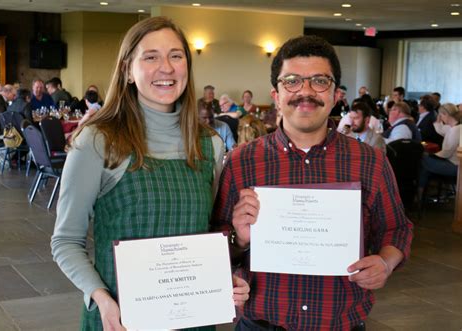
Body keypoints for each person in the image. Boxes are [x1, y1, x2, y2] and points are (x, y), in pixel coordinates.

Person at [51, 16, 249, 330]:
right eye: (151, 57)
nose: (166, 68)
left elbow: (210, 233)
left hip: (192, 320)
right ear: (128, 70)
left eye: (176, 55)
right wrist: (100, 297)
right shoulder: (99, 140)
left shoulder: (208, 144)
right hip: (121, 319)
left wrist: (227, 271)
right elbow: (65, 241)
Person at [212, 35, 413, 330]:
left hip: (341, 323)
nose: (305, 92)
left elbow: (396, 228)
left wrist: (385, 262)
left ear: (335, 95)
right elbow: (219, 237)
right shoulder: (242, 161)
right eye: (292, 81)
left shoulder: (370, 161)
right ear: (276, 94)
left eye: (320, 81)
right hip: (260, 323)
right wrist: (238, 239)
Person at [418, 103, 461, 193]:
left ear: (446, 114)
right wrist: (438, 121)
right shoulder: (454, 127)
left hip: (455, 167)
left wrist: (431, 154)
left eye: (441, 115)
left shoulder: (455, 130)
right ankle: (420, 193)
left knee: (421, 158)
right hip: (453, 164)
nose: (440, 118)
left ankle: (419, 193)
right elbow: (441, 130)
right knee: (425, 165)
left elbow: (446, 153)